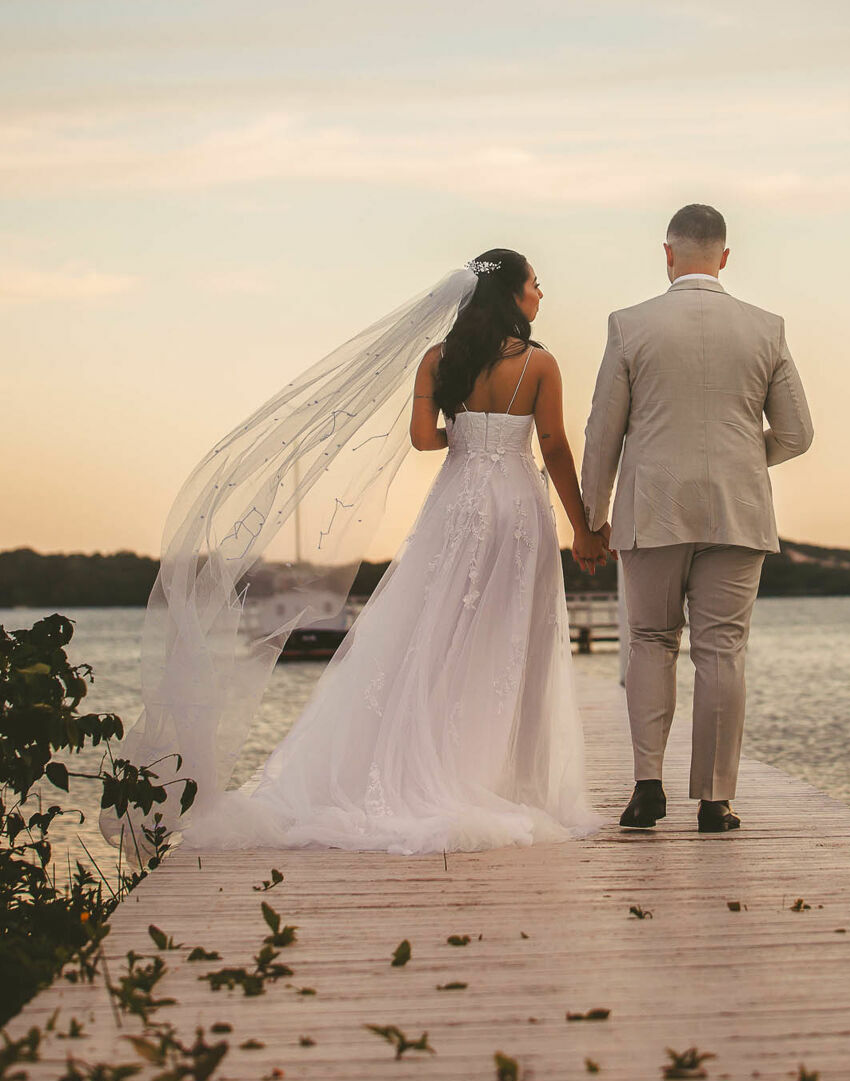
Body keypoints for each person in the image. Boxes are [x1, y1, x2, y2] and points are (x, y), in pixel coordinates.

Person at [167, 249, 604, 856]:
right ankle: (499, 773)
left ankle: (426, 760)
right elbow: (553, 446)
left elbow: (424, 439)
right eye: (534, 283)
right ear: (511, 295)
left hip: (457, 501)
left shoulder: (438, 360)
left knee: (433, 627)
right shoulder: (539, 363)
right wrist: (582, 525)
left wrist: (471, 435)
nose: (540, 293)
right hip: (517, 504)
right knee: (511, 636)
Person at [580, 204, 813, 834]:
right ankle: (716, 801)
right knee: (722, 652)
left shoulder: (631, 326)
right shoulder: (766, 328)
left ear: (668, 254)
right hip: (738, 510)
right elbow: (797, 433)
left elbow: (603, 433)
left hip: (652, 507)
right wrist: (742, 460)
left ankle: (647, 787)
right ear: (726, 257)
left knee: (652, 642)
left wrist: (592, 519)